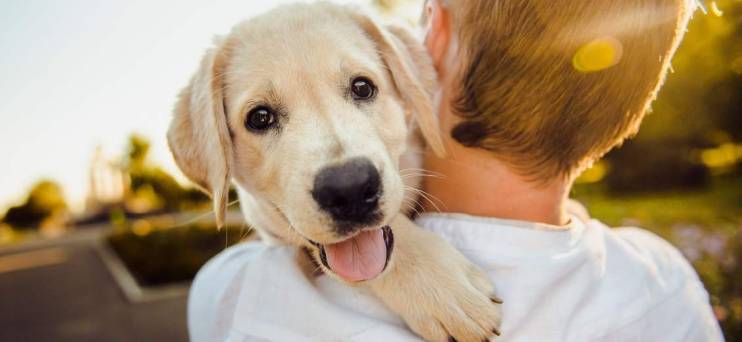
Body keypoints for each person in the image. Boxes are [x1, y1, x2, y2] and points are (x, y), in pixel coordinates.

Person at [188, 0, 724, 340]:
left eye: (361, 88)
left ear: (432, 40)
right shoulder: (665, 281)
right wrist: (401, 259)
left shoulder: (234, 295)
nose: (343, 169)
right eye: (262, 118)